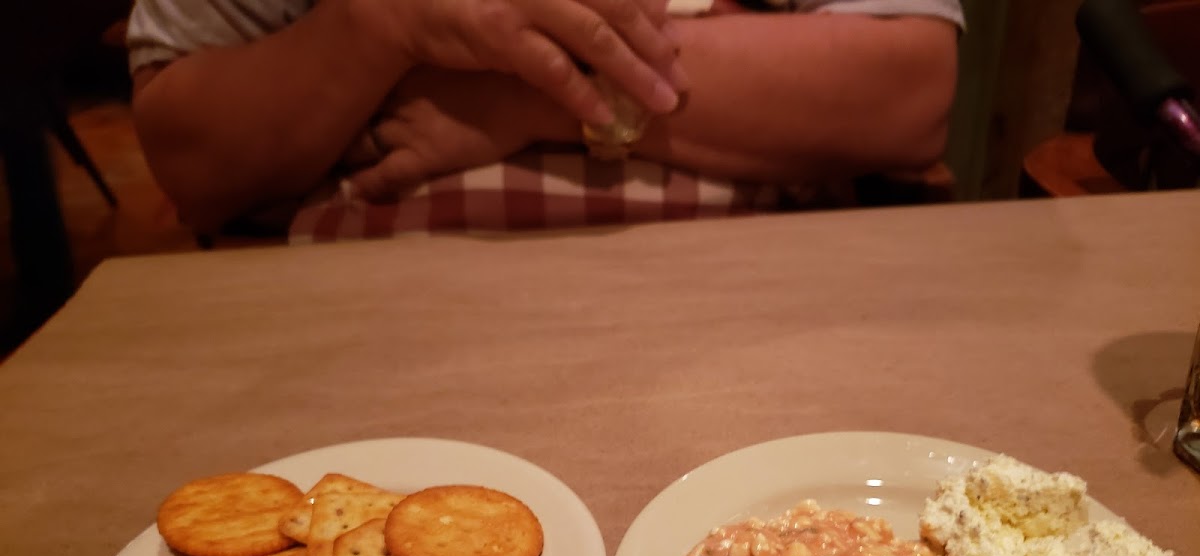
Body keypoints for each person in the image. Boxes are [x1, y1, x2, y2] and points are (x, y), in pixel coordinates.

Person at [126, 0, 964, 235]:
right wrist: (386, 20)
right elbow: (194, 166)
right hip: (350, 320)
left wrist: (519, 89)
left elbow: (910, 94)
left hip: (751, 293)